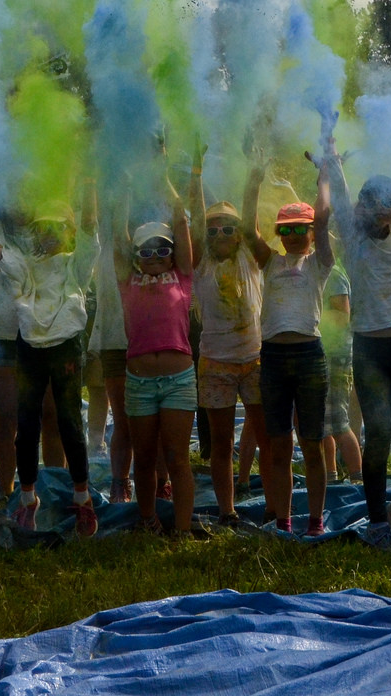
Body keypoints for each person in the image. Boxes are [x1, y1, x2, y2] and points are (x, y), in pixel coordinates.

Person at [323, 91, 391, 547]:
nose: (375, 209)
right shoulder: (352, 236)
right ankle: (375, 518)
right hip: (368, 348)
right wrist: (330, 151)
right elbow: (342, 191)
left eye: (385, 203)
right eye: (369, 202)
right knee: (378, 434)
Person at [0, 203, 98, 537]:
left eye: (56, 229)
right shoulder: (25, 264)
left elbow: (90, 229)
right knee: (26, 425)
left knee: (70, 421)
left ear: (68, 235)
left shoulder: (76, 265)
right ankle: (27, 498)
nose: (48, 236)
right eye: (43, 229)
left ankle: (82, 497)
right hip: (29, 349)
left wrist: (90, 189)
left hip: (67, 350)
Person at [254, 153, 336, 535]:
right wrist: (253, 183)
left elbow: (323, 218)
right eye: (285, 230)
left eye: (300, 229)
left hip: (308, 358)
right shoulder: (269, 262)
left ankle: (316, 520)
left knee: (312, 442)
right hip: (271, 357)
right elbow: (245, 226)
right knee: (278, 445)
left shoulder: (319, 263)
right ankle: (284, 520)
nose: (294, 236)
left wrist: (324, 177)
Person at [117, 171, 200, 535]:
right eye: (146, 250)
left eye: (162, 248)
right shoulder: (127, 279)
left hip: (179, 378)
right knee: (145, 457)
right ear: (137, 256)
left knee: (178, 459)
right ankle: (148, 520)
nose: (154, 255)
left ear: (172, 255)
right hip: (139, 380)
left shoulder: (183, 276)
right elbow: (112, 231)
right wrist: (119, 180)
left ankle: (182, 530)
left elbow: (180, 220)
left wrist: (164, 172)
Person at [192, 156, 267, 526]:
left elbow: (252, 223)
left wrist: (252, 184)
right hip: (215, 364)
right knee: (221, 444)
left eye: (228, 229)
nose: (220, 235)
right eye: (214, 229)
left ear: (239, 233)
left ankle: (274, 508)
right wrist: (196, 175)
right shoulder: (200, 264)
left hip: (254, 360)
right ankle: (227, 511)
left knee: (266, 438)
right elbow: (192, 217)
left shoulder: (251, 260)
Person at [84, 186, 132, 504]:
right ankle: (99, 447)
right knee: (101, 387)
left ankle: (154, 478)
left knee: (140, 409)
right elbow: (90, 218)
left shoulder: (135, 239)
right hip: (108, 325)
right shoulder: (99, 238)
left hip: (142, 333)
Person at [322, 263, 361, 479]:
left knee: (338, 421)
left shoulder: (333, 273)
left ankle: (357, 477)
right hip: (321, 353)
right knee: (322, 423)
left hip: (336, 356)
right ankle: (331, 475)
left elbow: (342, 316)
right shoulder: (317, 270)